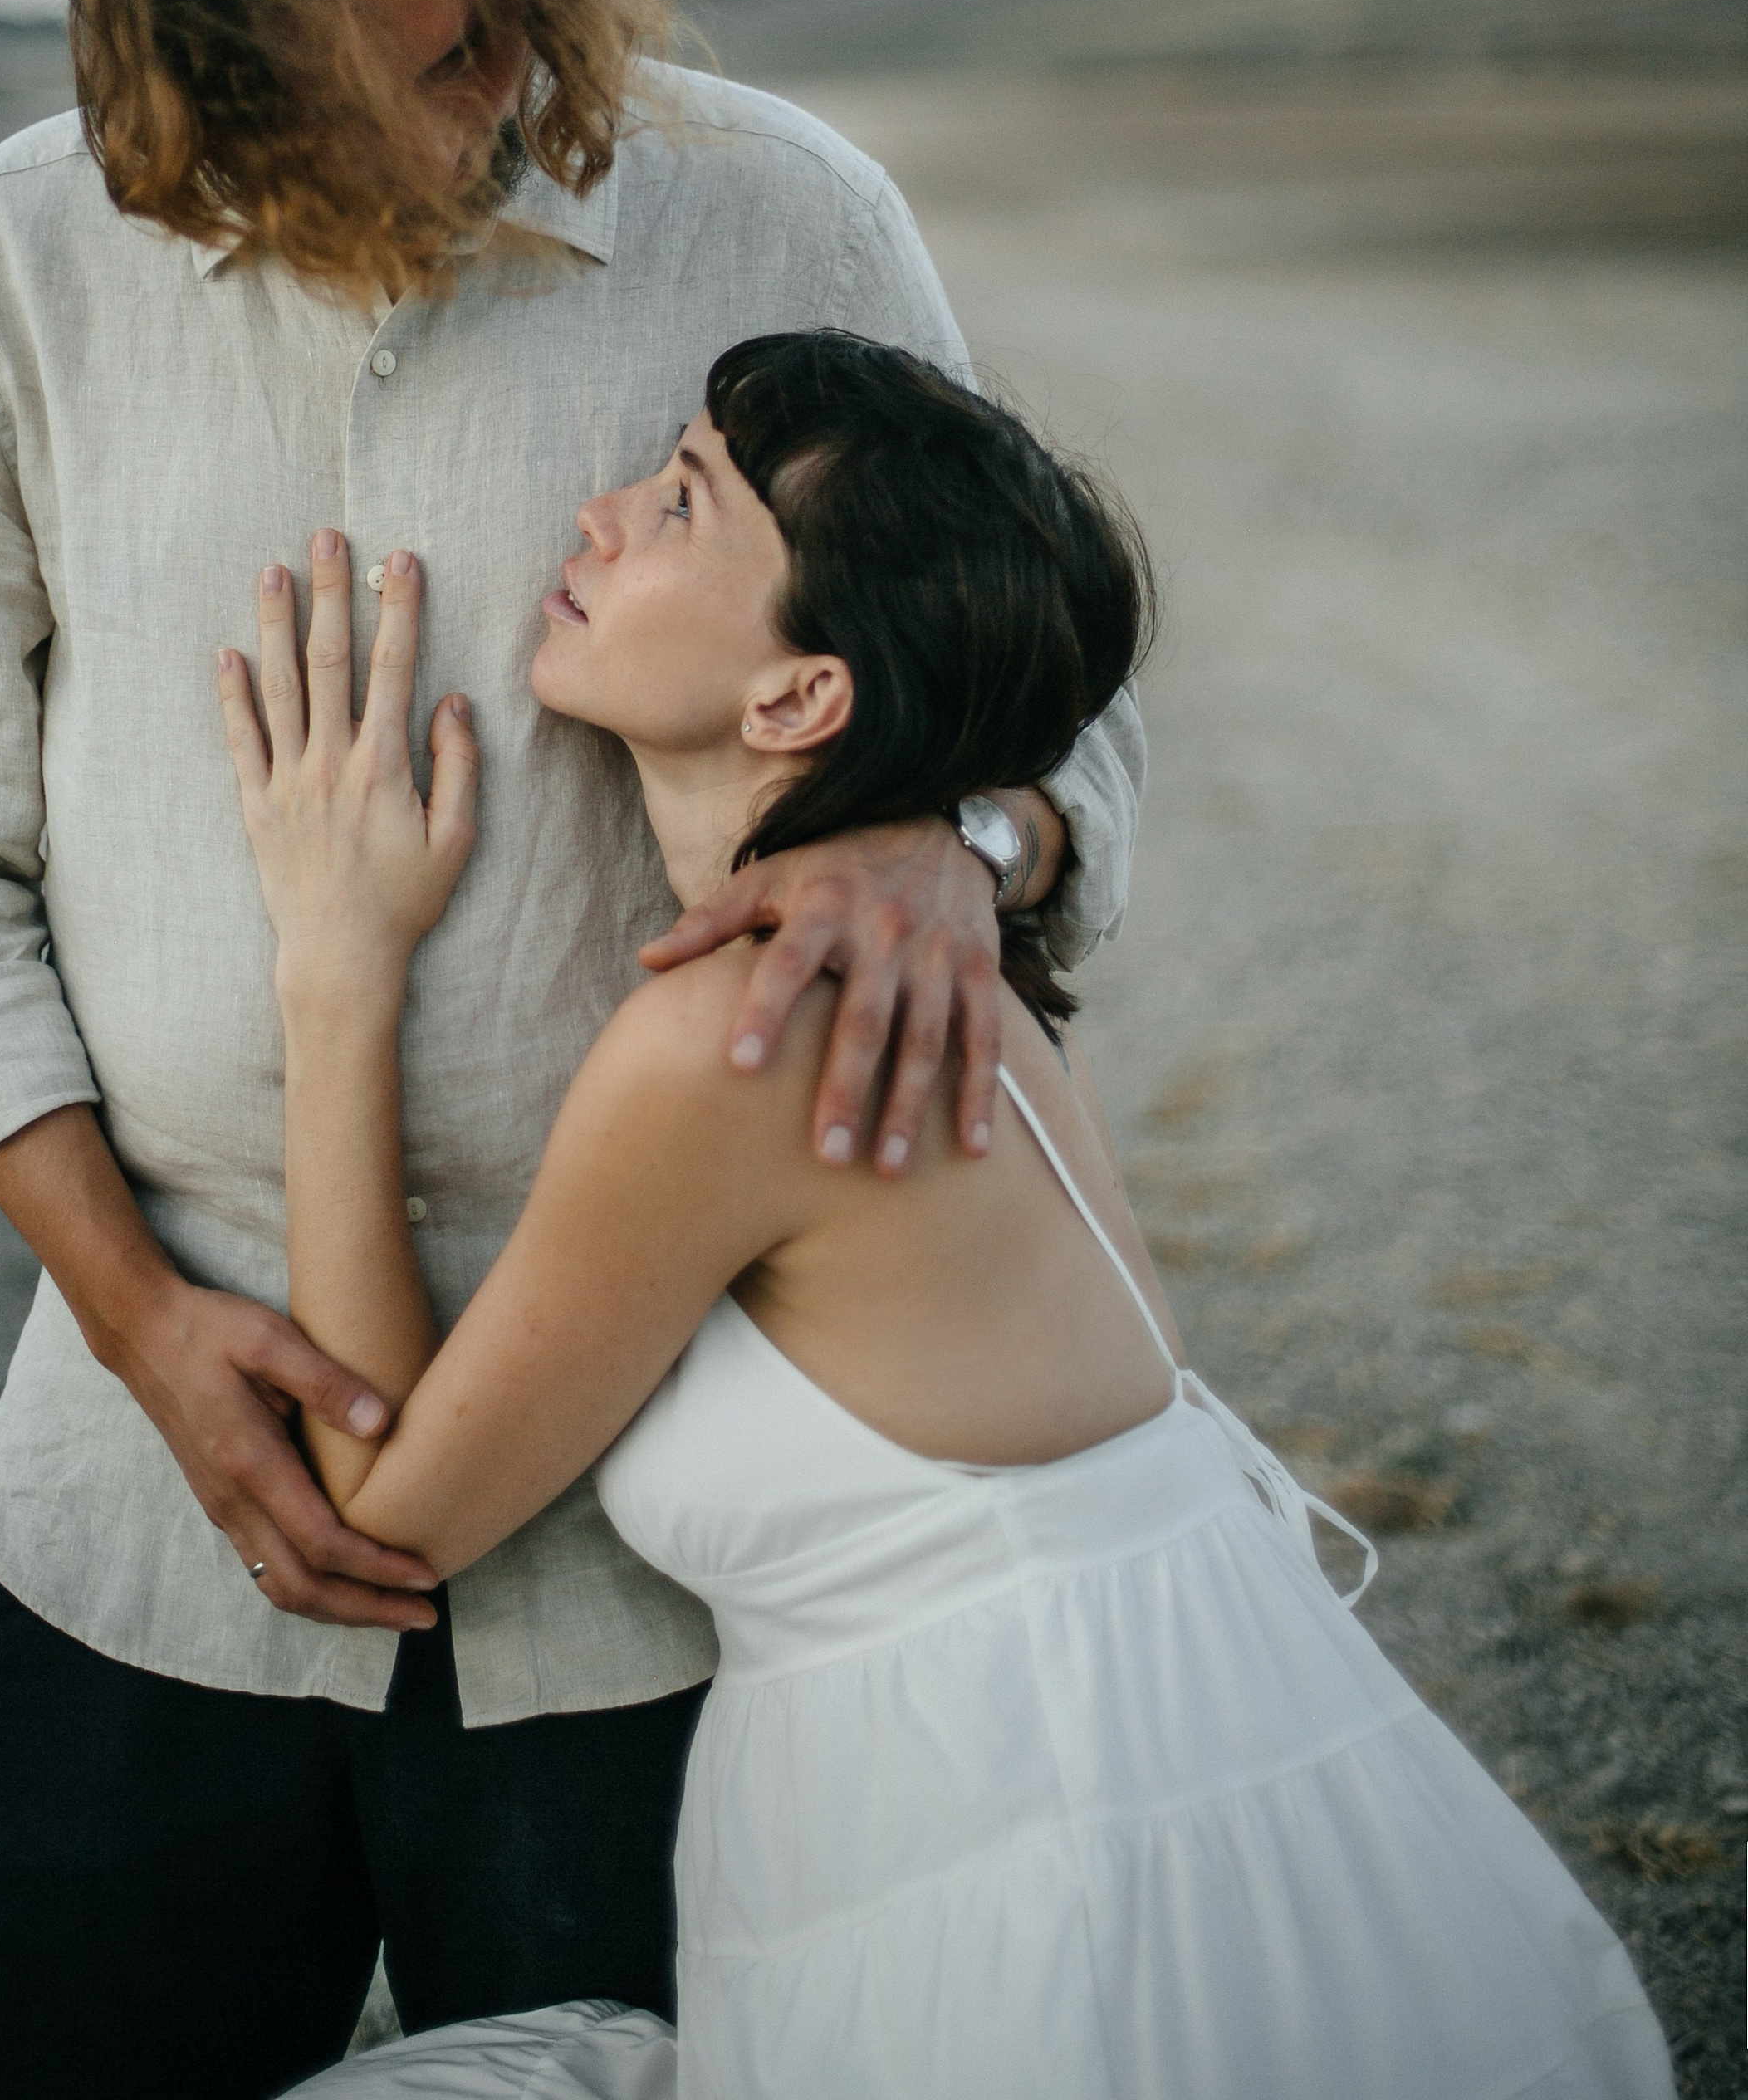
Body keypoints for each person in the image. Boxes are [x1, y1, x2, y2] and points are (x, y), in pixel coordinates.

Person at [0, 0, 1145, 2100]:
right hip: (141, 1531)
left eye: (484, 35)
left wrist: (953, 838)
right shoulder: (5, 266)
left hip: (655, 1590)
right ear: (191, 59)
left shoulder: (791, 218)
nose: (480, 113)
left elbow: (1058, 724)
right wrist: (135, 1321)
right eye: (387, 83)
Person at [235, 332, 1672, 2100]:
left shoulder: (733, 1036)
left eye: (679, 499)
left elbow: (382, 1512)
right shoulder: (947, 980)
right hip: (1150, 1809)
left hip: (1055, 1909)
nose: (599, 513)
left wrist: (332, 964)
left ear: (794, 701)